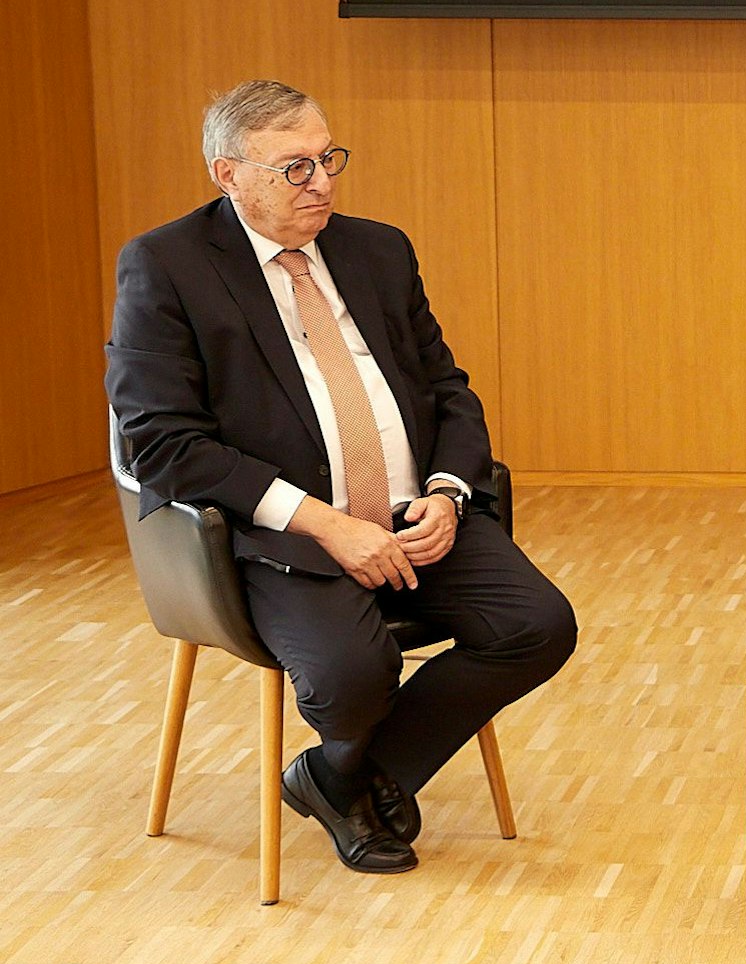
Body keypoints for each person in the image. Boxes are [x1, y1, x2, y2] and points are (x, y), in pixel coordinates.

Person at [106, 81, 576, 877]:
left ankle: (342, 777)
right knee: (352, 674)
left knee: (540, 623)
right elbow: (160, 443)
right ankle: (359, 777)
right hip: (283, 532)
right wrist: (324, 522)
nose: (322, 181)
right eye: (296, 167)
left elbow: (447, 388)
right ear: (229, 174)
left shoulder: (377, 249)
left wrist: (448, 492)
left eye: (329, 158)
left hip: (412, 514)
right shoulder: (166, 266)